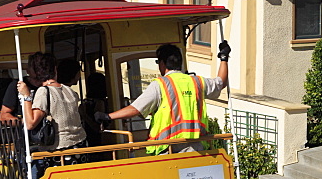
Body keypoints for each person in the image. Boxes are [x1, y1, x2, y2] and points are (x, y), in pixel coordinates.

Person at [99, 41, 231, 154]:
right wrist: (224, 57)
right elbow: (221, 82)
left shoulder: (160, 85)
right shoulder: (198, 82)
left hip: (169, 150)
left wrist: (108, 116)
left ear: (162, 64)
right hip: (197, 148)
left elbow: (136, 109)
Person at [17, 53, 86, 163]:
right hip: (80, 145)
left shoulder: (44, 92)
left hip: (60, 150)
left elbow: (30, 123)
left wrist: (26, 96)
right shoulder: (69, 90)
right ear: (55, 69)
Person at [0, 54, 42, 124]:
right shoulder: (17, 85)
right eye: (35, 67)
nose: (38, 70)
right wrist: (24, 122)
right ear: (28, 70)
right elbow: (3, 116)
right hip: (25, 133)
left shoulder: (49, 86)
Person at [79, 72, 108, 148]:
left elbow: (98, 128)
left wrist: (84, 115)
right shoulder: (94, 101)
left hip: (95, 139)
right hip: (89, 137)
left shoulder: (99, 102)